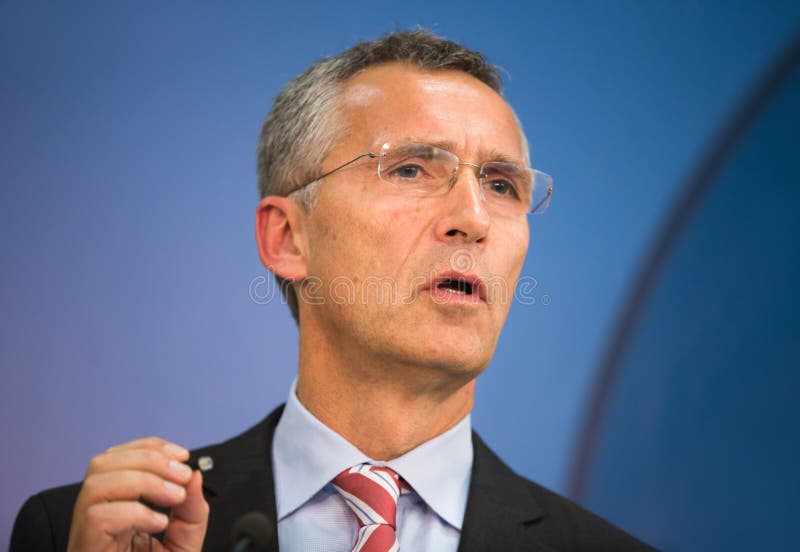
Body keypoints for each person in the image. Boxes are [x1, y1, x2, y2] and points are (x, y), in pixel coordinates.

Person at [11, 30, 653, 551]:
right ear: (288, 238)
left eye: (503, 185)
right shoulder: (97, 532)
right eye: (410, 168)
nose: (474, 219)